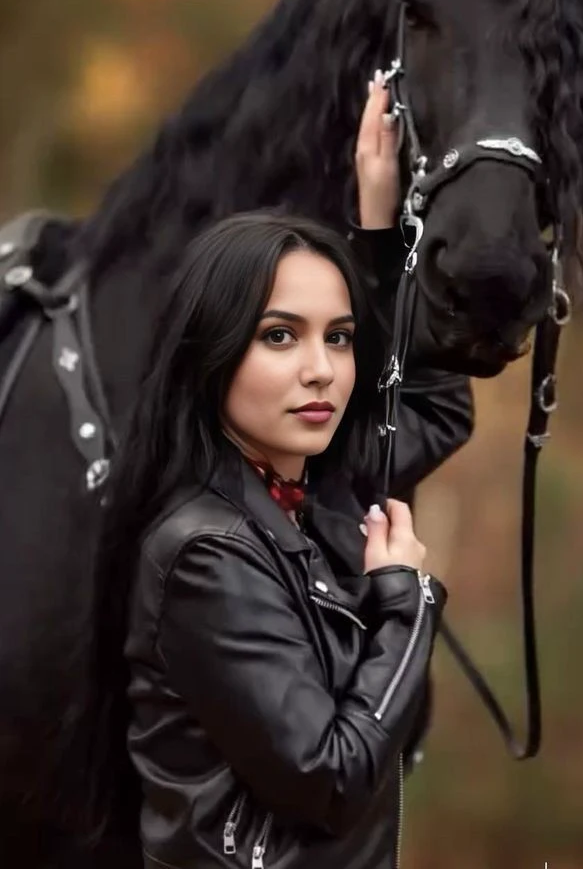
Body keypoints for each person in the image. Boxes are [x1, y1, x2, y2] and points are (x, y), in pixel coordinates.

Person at [117, 74, 474, 869]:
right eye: (280, 336)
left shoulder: (311, 502)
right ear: (211, 353)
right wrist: (404, 601)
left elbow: (433, 409)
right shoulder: (207, 554)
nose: (321, 370)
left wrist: (381, 224)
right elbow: (334, 775)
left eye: (339, 338)